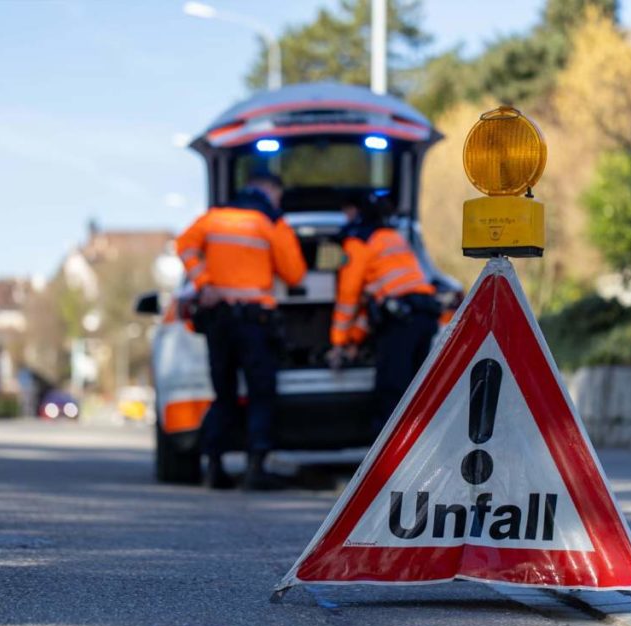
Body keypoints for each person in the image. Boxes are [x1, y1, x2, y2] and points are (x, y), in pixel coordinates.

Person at [176, 173, 306, 490]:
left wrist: (204, 283)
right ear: (270, 191)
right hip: (254, 323)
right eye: (278, 195)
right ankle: (255, 468)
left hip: (218, 319)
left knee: (224, 394)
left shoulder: (213, 218)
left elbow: (184, 247)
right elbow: (295, 273)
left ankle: (214, 467)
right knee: (261, 393)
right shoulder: (270, 223)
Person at [327, 192, 440, 434]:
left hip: (401, 321)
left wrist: (338, 343)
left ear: (356, 213)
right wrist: (354, 340)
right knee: (417, 389)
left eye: (346, 212)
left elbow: (348, 297)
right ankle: (418, 446)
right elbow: (372, 304)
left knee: (393, 389)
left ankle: (391, 454)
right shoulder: (391, 236)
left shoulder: (359, 242)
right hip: (422, 314)